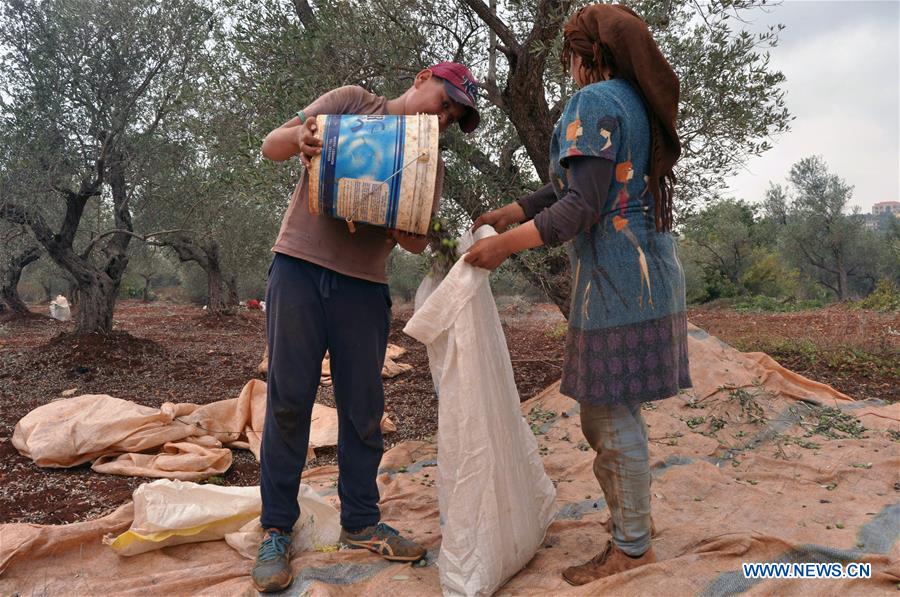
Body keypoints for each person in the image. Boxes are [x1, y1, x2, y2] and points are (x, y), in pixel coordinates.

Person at [465, 4, 691, 585]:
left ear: (581, 55)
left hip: (617, 281)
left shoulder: (594, 102)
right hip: (648, 273)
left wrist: (503, 246)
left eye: (566, 56)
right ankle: (634, 524)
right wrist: (516, 210)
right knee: (619, 409)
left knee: (607, 415)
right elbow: (582, 183)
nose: (565, 68)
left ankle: (631, 548)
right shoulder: (634, 102)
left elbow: (581, 206)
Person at [253, 62, 480, 593]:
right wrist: (301, 139)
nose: (444, 117)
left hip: (363, 288)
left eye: (453, 116)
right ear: (422, 78)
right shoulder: (353, 103)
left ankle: (360, 521)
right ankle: (276, 529)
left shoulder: (427, 158)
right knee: (288, 402)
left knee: (363, 409)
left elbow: (417, 242)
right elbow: (271, 145)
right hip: (299, 270)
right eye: (445, 102)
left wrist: (398, 211)